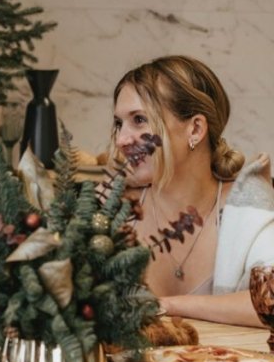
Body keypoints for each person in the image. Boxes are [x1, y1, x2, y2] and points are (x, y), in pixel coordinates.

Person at [112, 55, 274, 327]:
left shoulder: (246, 206)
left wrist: (167, 305)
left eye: (139, 120)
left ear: (196, 129)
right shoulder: (115, 210)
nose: (121, 140)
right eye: (119, 123)